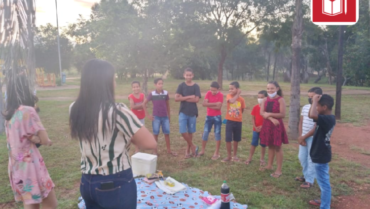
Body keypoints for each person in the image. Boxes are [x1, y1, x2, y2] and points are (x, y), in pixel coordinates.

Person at [69, 59, 157, 209]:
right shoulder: (117, 111)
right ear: (106, 82)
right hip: (116, 181)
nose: (115, 83)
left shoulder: (74, 108)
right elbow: (150, 143)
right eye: (113, 79)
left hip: (87, 181)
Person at [4, 73, 57, 209]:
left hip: (16, 167)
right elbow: (44, 140)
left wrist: (34, 139)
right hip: (31, 166)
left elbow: (22, 139)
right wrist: (42, 139)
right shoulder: (28, 110)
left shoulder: (9, 114)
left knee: (31, 204)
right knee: (50, 203)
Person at [308, 94, 336, 209]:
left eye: (318, 106)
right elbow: (313, 115)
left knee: (324, 184)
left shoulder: (327, 119)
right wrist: (315, 102)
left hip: (321, 156)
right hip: (321, 154)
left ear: (324, 107)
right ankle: (324, 200)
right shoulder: (326, 118)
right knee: (322, 182)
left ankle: (325, 206)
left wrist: (314, 100)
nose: (316, 108)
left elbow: (312, 115)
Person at [259, 81, 288, 178]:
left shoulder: (280, 100)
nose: (270, 90)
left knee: (278, 147)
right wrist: (271, 118)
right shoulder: (265, 100)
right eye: (268, 89)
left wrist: (270, 115)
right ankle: (269, 165)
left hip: (276, 126)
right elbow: (262, 112)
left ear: (277, 89)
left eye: (272, 88)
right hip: (268, 125)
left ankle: (279, 169)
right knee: (270, 146)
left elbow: (282, 114)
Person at [295, 87, 323, 189]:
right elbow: (301, 122)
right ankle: (306, 175)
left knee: (311, 159)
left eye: (313, 97)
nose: (310, 99)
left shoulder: (319, 110)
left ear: (319, 97)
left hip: (313, 138)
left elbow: (316, 128)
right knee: (302, 157)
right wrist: (301, 136)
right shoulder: (306, 107)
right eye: (309, 97)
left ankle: (309, 180)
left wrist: (304, 137)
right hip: (303, 137)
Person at [144, 78, 176, 156]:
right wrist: (148, 115)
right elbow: (144, 104)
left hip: (165, 117)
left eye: (162, 83)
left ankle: (169, 150)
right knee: (155, 134)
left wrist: (169, 116)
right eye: (159, 83)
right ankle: (155, 151)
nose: (160, 85)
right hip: (156, 117)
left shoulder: (165, 93)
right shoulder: (152, 94)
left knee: (167, 133)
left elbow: (167, 105)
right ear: (155, 85)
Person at [175, 68, 201, 159]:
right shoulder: (181, 85)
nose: (188, 77)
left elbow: (196, 100)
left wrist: (183, 97)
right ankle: (193, 146)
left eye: (190, 75)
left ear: (192, 75)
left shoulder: (196, 86)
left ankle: (188, 150)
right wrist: (190, 96)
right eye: (187, 75)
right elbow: (176, 99)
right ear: (184, 75)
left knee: (190, 132)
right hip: (183, 111)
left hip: (192, 112)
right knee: (182, 131)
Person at [198, 81, 224, 160]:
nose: (212, 92)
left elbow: (218, 107)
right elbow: (203, 104)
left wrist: (208, 105)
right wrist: (215, 104)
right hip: (208, 116)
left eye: (214, 90)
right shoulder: (208, 93)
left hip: (217, 117)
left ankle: (216, 152)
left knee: (217, 134)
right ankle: (202, 150)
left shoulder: (221, 95)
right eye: (211, 90)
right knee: (205, 133)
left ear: (218, 89)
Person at [221, 81, 245, 163]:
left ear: (237, 89)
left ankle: (234, 155)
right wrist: (237, 94)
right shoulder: (229, 96)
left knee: (236, 139)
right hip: (230, 121)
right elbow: (231, 101)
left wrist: (237, 116)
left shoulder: (242, 99)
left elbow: (242, 110)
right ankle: (229, 156)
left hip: (238, 121)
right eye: (229, 89)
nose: (230, 90)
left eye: (232, 89)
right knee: (228, 139)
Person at [245, 90, 267, 166]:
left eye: (262, 97)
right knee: (253, 144)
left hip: (264, 130)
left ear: (266, 98)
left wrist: (262, 127)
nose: (260, 99)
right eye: (258, 97)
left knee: (263, 145)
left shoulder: (267, 109)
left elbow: (268, 120)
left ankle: (262, 159)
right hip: (255, 129)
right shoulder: (255, 107)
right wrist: (255, 127)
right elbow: (253, 118)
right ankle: (249, 158)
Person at [128, 81, 146, 153]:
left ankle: (140, 145)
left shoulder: (142, 95)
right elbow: (132, 106)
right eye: (134, 87)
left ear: (140, 87)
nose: (136, 88)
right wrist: (142, 105)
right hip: (134, 118)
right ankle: (137, 148)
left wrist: (141, 106)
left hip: (141, 117)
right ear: (132, 88)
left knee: (141, 132)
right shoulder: (131, 96)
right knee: (136, 133)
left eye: (137, 86)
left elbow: (146, 105)